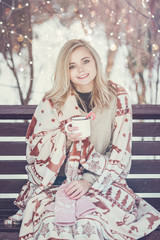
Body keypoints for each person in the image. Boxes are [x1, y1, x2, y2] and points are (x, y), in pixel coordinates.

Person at [5, 39, 160, 239]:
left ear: (95, 61)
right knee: (53, 221)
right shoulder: (52, 101)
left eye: (85, 61)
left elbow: (120, 153)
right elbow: (35, 152)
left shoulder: (117, 96)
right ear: (65, 70)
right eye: (72, 66)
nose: (81, 69)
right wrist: (65, 138)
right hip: (56, 184)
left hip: (103, 183)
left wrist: (88, 181)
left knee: (91, 221)